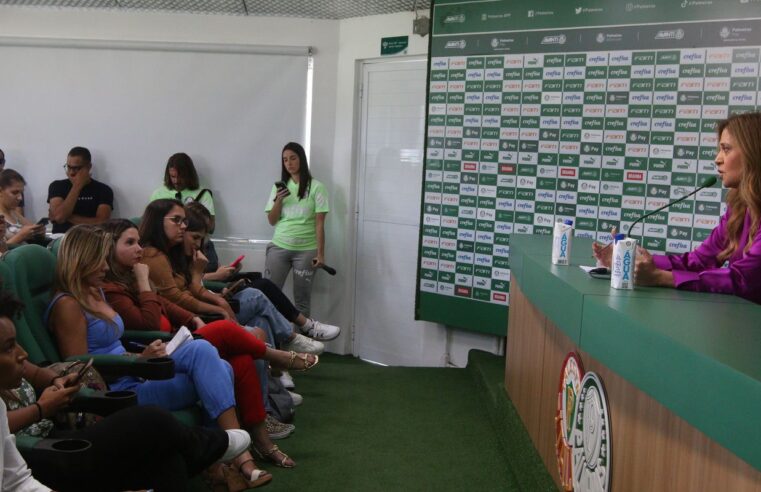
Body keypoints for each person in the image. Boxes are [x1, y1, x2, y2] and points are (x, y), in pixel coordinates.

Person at [45, 225, 272, 489]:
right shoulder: (67, 304)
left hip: (135, 371)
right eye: (99, 261)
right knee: (212, 361)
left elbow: (116, 342)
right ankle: (237, 457)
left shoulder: (96, 290)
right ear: (81, 260)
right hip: (119, 392)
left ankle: (221, 463)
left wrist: (139, 356)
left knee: (217, 363)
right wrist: (137, 362)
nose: (106, 268)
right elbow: (81, 371)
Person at [101, 218, 317, 463]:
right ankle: (277, 356)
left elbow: (168, 303)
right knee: (232, 327)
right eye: (130, 243)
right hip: (159, 349)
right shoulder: (119, 284)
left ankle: (259, 437)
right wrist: (147, 283)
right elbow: (151, 321)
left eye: (138, 242)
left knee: (242, 357)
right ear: (109, 248)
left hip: (177, 338)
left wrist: (194, 316)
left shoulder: (140, 269)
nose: (138, 249)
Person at [0, 286, 251, 492]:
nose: (22, 354)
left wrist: (55, 381)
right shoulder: (70, 303)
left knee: (165, 457)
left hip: (52, 436)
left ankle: (206, 447)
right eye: (10, 347)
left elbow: (36, 372)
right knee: (149, 419)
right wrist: (42, 408)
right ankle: (208, 445)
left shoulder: (100, 292)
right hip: (39, 451)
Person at [593, 112, 761, 304]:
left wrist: (661, 278)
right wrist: (632, 258)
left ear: (753, 153)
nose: (717, 159)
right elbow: (698, 261)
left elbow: (742, 279)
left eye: (726, 149)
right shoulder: (739, 209)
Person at [139, 199, 324, 355]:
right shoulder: (156, 256)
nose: (182, 227)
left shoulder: (175, 253)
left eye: (184, 221)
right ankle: (292, 337)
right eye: (177, 221)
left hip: (198, 312)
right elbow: (178, 298)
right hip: (189, 321)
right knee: (257, 296)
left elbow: (190, 289)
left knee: (261, 318)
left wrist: (215, 295)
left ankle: (276, 388)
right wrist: (217, 303)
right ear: (158, 222)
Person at [187, 201, 340, 341]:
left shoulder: (205, 246)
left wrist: (226, 274)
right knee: (261, 291)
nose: (204, 236)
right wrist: (216, 278)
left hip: (216, 293)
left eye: (205, 231)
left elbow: (203, 278)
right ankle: (296, 333)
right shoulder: (182, 254)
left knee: (262, 319)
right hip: (208, 304)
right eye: (198, 233)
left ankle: (277, 369)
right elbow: (191, 284)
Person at [265, 142, 337, 329]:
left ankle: (303, 346)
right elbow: (271, 220)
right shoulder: (279, 188)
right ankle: (275, 341)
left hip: (306, 251)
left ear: (301, 159)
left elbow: (320, 223)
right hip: (279, 247)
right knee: (269, 295)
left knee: (302, 300)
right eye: (285, 160)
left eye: (293, 158)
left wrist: (320, 254)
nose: (289, 163)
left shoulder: (317, 187)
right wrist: (279, 199)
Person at [47, 147, 113, 234]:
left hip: (91, 238)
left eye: (76, 168)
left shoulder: (104, 190)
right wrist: (77, 187)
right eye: (68, 167)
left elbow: (102, 223)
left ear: (89, 167)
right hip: (61, 239)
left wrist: (67, 217)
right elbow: (59, 217)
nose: (71, 172)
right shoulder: (57, 186)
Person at [150, 153, 216, 232]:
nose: (176, 181)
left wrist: (193, 216)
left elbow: (211, 227)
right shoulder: (158, 194)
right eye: (173, 176)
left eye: (181, 176)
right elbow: (149, 222)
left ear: (189, 174)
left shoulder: (203, 194)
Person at [0, 170, 45, 246]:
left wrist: (39, 232)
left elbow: (32, 228)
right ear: (0, 191)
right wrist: (20, 237)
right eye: (14, 192)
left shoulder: (13, 213)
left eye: (21, 193)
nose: (20, 198)